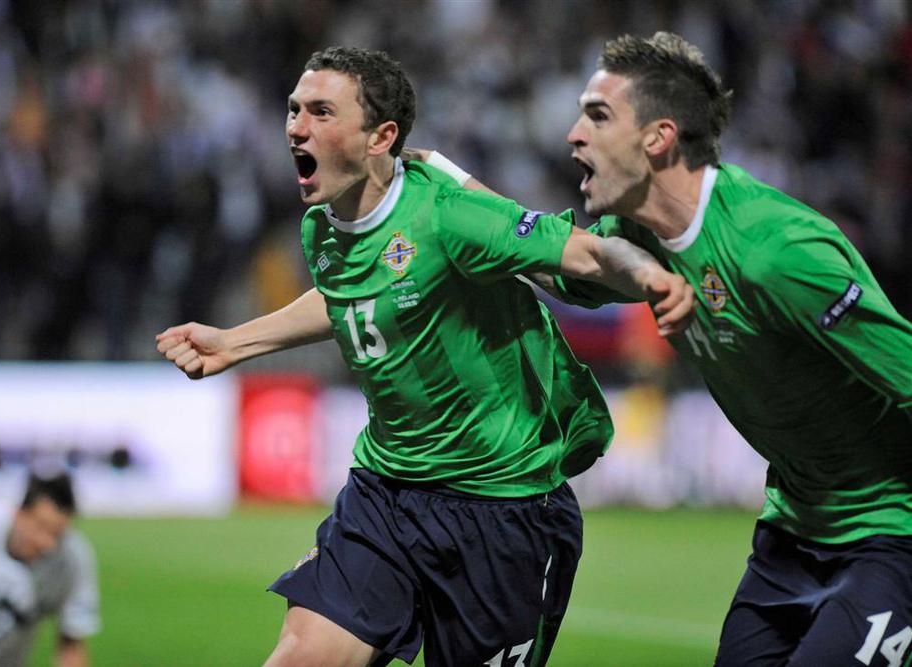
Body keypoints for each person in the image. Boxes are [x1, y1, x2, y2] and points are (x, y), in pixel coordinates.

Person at [156, 46, 694, 667]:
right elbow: (351, 298)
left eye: (322, 112)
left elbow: (586, 255)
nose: (297, 127)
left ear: (381, 136)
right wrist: (236, 341)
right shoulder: (320, 229)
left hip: (503, 507)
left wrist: (653, 275)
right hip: (385, 494)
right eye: (294, 109)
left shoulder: (450, 215)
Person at [428, 30, 912, 667]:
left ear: (658, 138)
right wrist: (443, 179)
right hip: (793, 534)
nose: (573, 134)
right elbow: (548, 256)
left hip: (894, 535)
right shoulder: (638, 237)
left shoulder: (774, 251)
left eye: (598, 116)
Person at [0, 472, 100, 667]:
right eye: (41, 527)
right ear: (18, 514)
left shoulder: (73, 557)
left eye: (57, 534)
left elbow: (73, 640)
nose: (48, 543)